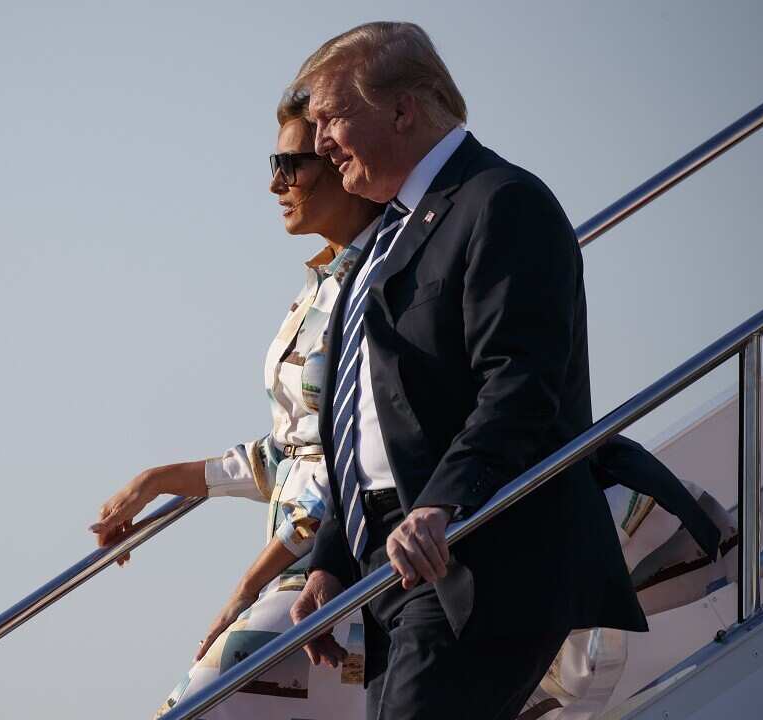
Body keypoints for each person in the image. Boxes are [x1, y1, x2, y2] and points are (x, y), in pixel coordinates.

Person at [287, 22, 648, 720]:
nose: (321, 141)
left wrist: (441, 505)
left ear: (402, 110)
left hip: (475, 553)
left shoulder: (501, 202)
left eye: (332, 116)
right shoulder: (385, 237)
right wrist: (330, 557)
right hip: (392, 564)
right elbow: (370, 414)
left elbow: (520, 381)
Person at [90, 91, 383, 718]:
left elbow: (354, 460)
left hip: (344, 565)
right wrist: (157, 481)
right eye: (272, 165)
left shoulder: (383, 285)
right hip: (295, 566)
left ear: (342, 161)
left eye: (292, 166)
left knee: (199, 705)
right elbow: (285, 454)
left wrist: (245, 589)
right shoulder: (321, 288)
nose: (276, 183)